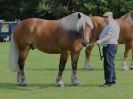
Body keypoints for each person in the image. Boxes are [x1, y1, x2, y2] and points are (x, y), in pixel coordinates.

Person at [95, 11, 120, 87]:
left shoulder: (112, 25)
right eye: (104, 17)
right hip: (108, 46)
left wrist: (101, 40)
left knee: (108, 64)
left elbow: (110, 36)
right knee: (111, 64)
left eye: (107, 17)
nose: (105, 18)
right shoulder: (108, 24)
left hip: (110, 46)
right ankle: (113, 79)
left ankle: (108, 82)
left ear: (111, 17)